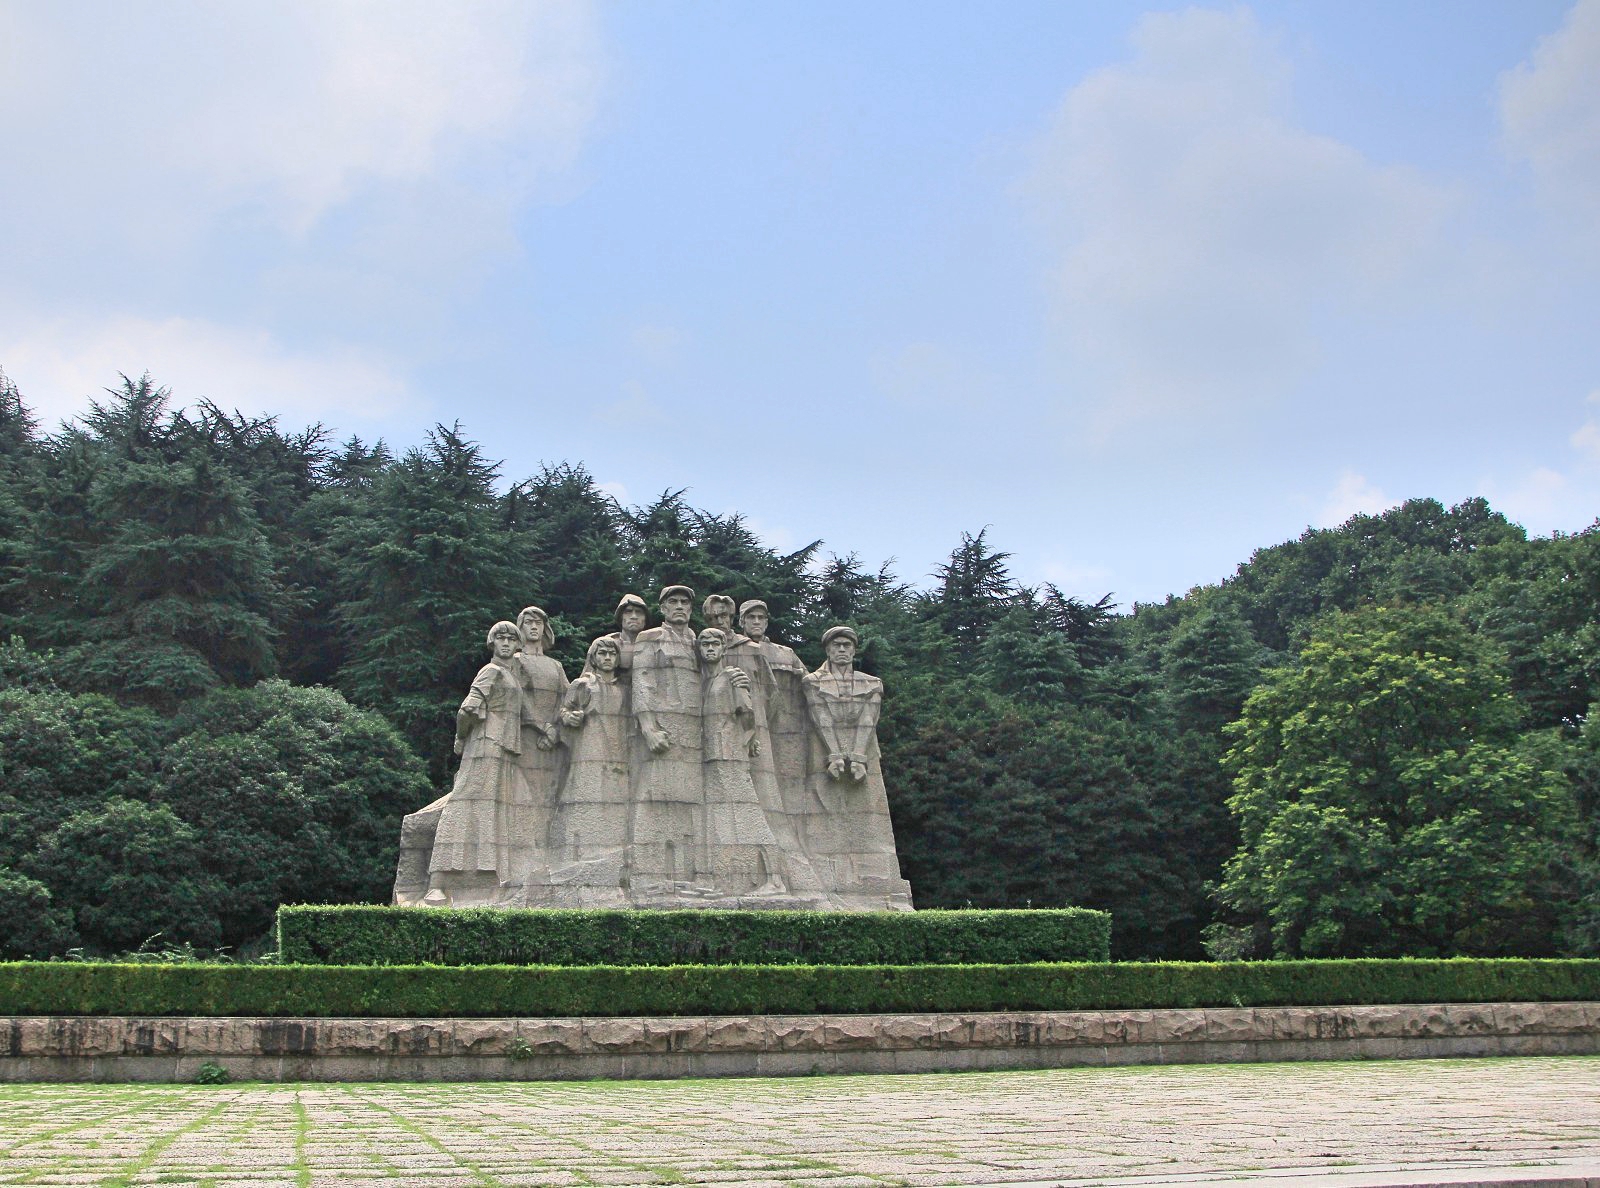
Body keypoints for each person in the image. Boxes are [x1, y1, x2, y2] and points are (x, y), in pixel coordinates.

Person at [801, 626, 914, 909]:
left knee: (870, 815)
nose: (842, 650)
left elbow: (868, 720)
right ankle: (828, 880)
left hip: (864, 753)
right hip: (825, 754)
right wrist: (835, 755)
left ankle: (874, 880)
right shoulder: (813, 682)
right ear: (827, 650)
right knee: (824, 810)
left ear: (854, 650)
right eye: (836, 645)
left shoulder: (871, 683)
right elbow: (820, 717)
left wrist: (859, 756)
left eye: (847, 646)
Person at [422, 621, 530, 906]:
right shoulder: (491, 670)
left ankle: (486, 876)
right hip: (485, 743)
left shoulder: (511, 675)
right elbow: (469, 707)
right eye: (500, 638)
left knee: (489, 807)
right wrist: (460, 737)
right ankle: (438, 882)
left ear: (517, 645)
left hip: (503, 748)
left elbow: (524, 714)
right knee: (463, 803)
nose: (506, 643)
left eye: (511, 638)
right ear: (492, 643)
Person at [725, 599, 824, 899]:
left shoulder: (785, 653)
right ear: (741, 622)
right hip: (749, 734)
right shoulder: (732, 649)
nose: (756, 622)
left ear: (767, 622)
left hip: (785, 734)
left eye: (761, 617)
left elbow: (810, 687)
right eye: (750, 617)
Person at [628, 585, 710, 894]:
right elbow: (642, 682)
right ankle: (650, 876)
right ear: (662, 608)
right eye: (673, 602)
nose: (679, 606)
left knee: (690, 803)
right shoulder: (649, 638)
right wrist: (648, 727)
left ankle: (688, 876)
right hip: (663, 729)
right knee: (656, 799)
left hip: (694, 730)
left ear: (691, 608)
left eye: (684, 602)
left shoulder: (699, 641)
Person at [698, 627, 786, 897]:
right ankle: (726, 882)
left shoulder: (733, 676)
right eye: (705, 645)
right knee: (723, 818)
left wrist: (747, 741)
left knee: (751, 816)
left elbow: (748, 715)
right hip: (714, 754)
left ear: (724, 648)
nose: (711, 649)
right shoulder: (708, 680)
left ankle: (775, 880)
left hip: (730, 754)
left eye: (715, 644)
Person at [546, 636, 632, 905]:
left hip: (617, 752)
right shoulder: (582, 684)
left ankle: (610, 859)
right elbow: (562, 713)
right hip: (588, 749)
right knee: (583, 797)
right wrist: (569, 718)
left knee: (616, 803)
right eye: (602, 653)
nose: (607, 658)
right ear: (593, 657)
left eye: (612, 654)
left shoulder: (624, 688)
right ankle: (576, 857)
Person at [508, 605, 569, 890]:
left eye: (539, 622)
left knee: (549, 798)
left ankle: (546, 857)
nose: (534, 627)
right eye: (528, 622)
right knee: (524, 799)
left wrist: (555, 730)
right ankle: (522, 859)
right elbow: (516, 698)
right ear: (520, 627)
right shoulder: (515, 660)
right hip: (525, 740)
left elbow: (567, 699)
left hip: (551, 743)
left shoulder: (555, 666)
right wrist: (541, 727)